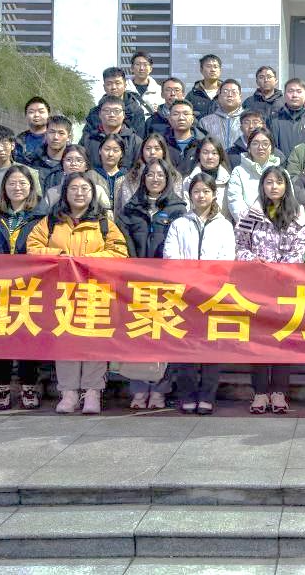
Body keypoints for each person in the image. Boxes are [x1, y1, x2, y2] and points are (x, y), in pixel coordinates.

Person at [28, 173, 128, 414]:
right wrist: (61, 258)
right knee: (66, 341)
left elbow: (119, 253)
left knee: (95, 341)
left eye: (85, 188)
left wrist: (88, 261)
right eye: (74, 188)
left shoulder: (104, 223)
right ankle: (69, 392)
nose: (79, 193)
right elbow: (32, 247)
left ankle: (92, 391)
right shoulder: (51, 222)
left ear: (93, 193)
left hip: (95, 292)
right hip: (62, 292)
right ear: (65, 193)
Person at [234, 167, 305, 414]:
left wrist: (282, 269)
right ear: (262, 186)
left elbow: (301, 245)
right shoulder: (251, 214)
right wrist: (255, 263)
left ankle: (278, 392)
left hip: (285, 286)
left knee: (282, 338)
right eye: (269, 182)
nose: (274, 187)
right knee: (258, 340)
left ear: (286, 185)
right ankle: (259, 393)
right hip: (257, 287)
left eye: (278, 182)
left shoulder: (297, 213)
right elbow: (240, 246)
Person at [116, 158, 186, 409]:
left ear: (168, 180)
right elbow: (123, 243)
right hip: (136, 283)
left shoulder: (178, 210)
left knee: (165, 338)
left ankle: (160, 390)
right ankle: (138, 390)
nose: (155, 179)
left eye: (160, 175)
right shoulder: (130, 210)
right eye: (150, 175)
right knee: (138, 336)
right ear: (143, 178)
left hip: (166, 283)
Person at [165, 172, 236, 414]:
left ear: (214, 194)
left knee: (211, 347)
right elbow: (171, 258)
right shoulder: (179, 224)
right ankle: (187, 394)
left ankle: (207, 396)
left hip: (213, 295)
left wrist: (207, 285)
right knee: (185, 347)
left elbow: (226, 261)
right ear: (190, 195)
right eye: (196, 191)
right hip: (184, 294)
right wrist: (189, 284)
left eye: (206, 191)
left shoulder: (224, 225)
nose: (201, 196)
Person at [0, 165, 48, 411]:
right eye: (12, 183)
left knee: (27, 334)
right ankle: (1, 387)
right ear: (4, 188)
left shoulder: (40, 214)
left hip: (30, 283)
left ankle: (28, 386)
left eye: (23, 183)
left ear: (31, 187)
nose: (17, 187)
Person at [227, 129, 282, 222]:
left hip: (277, 225)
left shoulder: (282, 173)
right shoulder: (238, 172)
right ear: (248, 148)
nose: (260, 147)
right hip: (247, 226)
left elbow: (287, 201)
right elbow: (235, 202)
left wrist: (273, 223)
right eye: (255, 143)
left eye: (265, 143)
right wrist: (251, 224)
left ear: (271, 148)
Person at [41, 145, 111, 211]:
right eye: (69, 160)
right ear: (62, 164)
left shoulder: (98, 191)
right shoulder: (52, 193)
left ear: (86, 165)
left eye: (79, 160)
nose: (73, 164)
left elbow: (108, 215)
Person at [83, 96, 143, 173]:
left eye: (116, 111)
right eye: (107, 110)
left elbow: (139, 169)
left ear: (124, 115)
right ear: (100, 114)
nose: (111, 114)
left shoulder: (135, 141)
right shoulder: (89, 139)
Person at [115, 133, 173, 212]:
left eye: (157, 148)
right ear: (142, 151)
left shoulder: (174, 176)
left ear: (164, 152)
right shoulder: (131, 178)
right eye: (148, 148)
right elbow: (126, 208)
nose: (152, 152)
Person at [84, 67, 148, 137]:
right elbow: (86, 139)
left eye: (118, 83)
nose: (113, 87)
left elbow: (139, 140)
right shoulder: (95, 112)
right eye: (109, 84)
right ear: (104, 87)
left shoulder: (136, 111)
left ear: (125, 85)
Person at [0, 126, 40, 205]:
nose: (0, 149)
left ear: (13, 146)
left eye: (5, 144)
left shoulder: (28, 173)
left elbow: (37, 202)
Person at [181, 137, 231, 213]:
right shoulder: (188, 181)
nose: (210, 157)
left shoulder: (229, 180)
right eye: (205, 153)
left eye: (214, 153)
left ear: (220, 156)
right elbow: (186, 208)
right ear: (199, 155)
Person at [26, 115, 74, 189]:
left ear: (68, 137)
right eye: (52, 132)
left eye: (61, 133)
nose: (56, 137)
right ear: (45, 134)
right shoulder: (31, 161)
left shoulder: (73, 165)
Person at [269, 78, 305, 158]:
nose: (294, 95)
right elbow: (270, 146)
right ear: (284, 95)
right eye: (290, 91)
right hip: (280, 164)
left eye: (299, 91)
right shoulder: (273, 119)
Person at [165, 99, 206, 175]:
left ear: (192, 119)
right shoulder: (162, 143)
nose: (181, 118)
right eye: (176, 114)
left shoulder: (204, 143)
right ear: (169, 119)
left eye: (186, 114)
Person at [93, 133, 129, 205]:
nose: (110, 154)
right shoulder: (91, 176)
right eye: (107, 149)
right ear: (100, 151)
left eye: (115, 150)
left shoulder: (128, 178)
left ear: (122, 154)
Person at [188, 53, 223, 119]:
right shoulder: (192, 95)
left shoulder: (226, 94)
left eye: (215, 67)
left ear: (220, 70)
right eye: (209, 66)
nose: (212, 70)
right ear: (201, 70)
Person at [18, 97, 51, 161]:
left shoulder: (55, 139)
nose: (36, 115)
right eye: (31, 112)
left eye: (41, 112)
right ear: (26, 115)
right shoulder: (19, 140)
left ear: (48, 115)